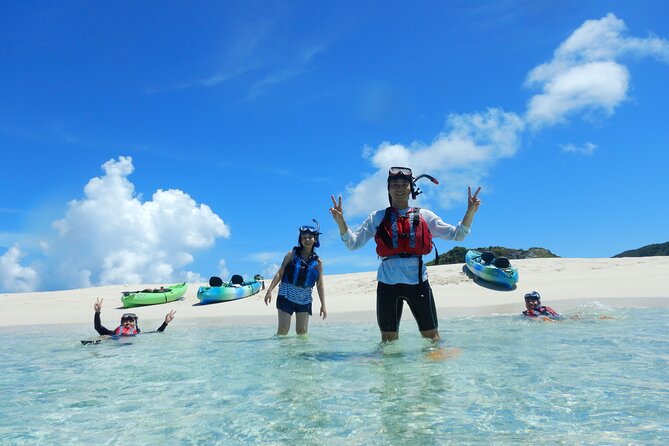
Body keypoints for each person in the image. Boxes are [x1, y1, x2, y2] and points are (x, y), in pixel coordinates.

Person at [330, 166, 481, 343]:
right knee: (388, 341)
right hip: (387, 284)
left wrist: (469, 213)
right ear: (388, 189)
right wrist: (341, 222)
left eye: (404, 184)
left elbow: (458, 235)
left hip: (418, 282)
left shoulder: (425, 215)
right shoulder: (377, 217)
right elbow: (353, 244)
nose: (399, 188)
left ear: (411, 189)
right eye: (394, 184)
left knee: (432, 338)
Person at [264, 220, 327, 335]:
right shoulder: (291, 254)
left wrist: (323, 304)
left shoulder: (318, 263)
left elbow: (320, 284)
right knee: (283, 330)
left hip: (304, 298)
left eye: (310, 237)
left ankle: (301, 353)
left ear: (315, 239)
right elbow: (280, 272)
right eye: (304, 237)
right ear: (300, 239)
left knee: (302, 332)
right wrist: (269, 290)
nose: (307, 240)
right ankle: (280, 352)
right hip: (286, 294)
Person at [93, 297, 176, 336]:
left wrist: (165, 323)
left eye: (130, 321)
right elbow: (98, 327)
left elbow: (158, 333)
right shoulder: (114, 333)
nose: (128, 323)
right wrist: (97, 312)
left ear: (135, 323)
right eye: (125, 321)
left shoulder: (138, 334)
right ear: (121, 323)